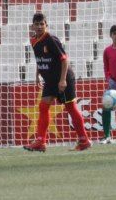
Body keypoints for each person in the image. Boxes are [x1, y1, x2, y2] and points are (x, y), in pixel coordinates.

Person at [23, 12, 91, 152]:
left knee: (70, 107)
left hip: (63, 78)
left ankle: (84, 140)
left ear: (46, 25)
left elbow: (64, 59)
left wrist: (62, 80)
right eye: (37, 24)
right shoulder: (33, 40)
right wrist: (37, 75)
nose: (40, 26)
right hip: (50, 80)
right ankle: (41, 142)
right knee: (43, 106)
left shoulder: (51, 39)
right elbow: (40, 59)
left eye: (42, 24)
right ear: (32, 26)